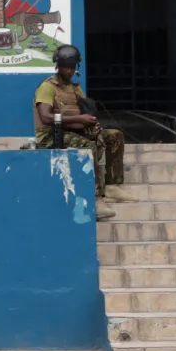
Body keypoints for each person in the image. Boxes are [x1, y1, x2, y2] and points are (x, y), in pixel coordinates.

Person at [33, 44, 126, 220]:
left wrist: (91, 125)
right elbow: (45, 117)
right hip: (51, 136)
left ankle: (112, 186)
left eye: (71, 67)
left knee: (114, 136)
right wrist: (79, 119)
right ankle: (96, 199)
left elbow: (84, 113)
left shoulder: (75, 88)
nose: (68, 71)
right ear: (57, 66)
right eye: (64, 67)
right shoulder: (47, 87)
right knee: (87, 146)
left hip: (73, 131)